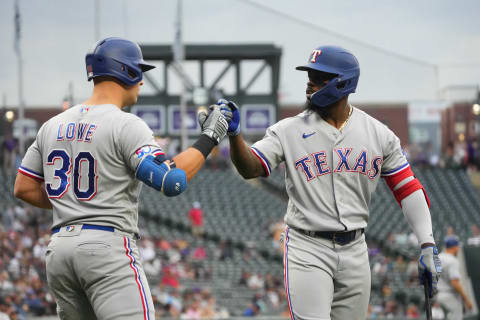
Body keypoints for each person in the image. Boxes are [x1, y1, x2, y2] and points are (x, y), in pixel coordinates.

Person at [219, 45, 441, 320]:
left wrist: (427, 244)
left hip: (356, 248)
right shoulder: (288, 130)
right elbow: (252, 167)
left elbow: (407, 188)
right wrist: (236, 136)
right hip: (307, 245)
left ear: (344, 83)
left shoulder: (378, 134)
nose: (310, 84)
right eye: (309, 76)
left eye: (319, 78)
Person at [13, 37, 228, 320]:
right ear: (126, 72)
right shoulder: (125, 124)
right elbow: (171, 181)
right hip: (105, 247)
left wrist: (75, 205)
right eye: (139, 72)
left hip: (59, 251)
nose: (142, 81)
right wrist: (209, 138)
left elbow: (24, 188)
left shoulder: (52, 125)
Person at [437, 236, 473, 320]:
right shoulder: (452, 260)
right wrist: (466, 299)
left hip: (438, 295)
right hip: (450, 295)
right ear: (455, 247)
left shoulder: (438, 257)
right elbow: (454, 282)